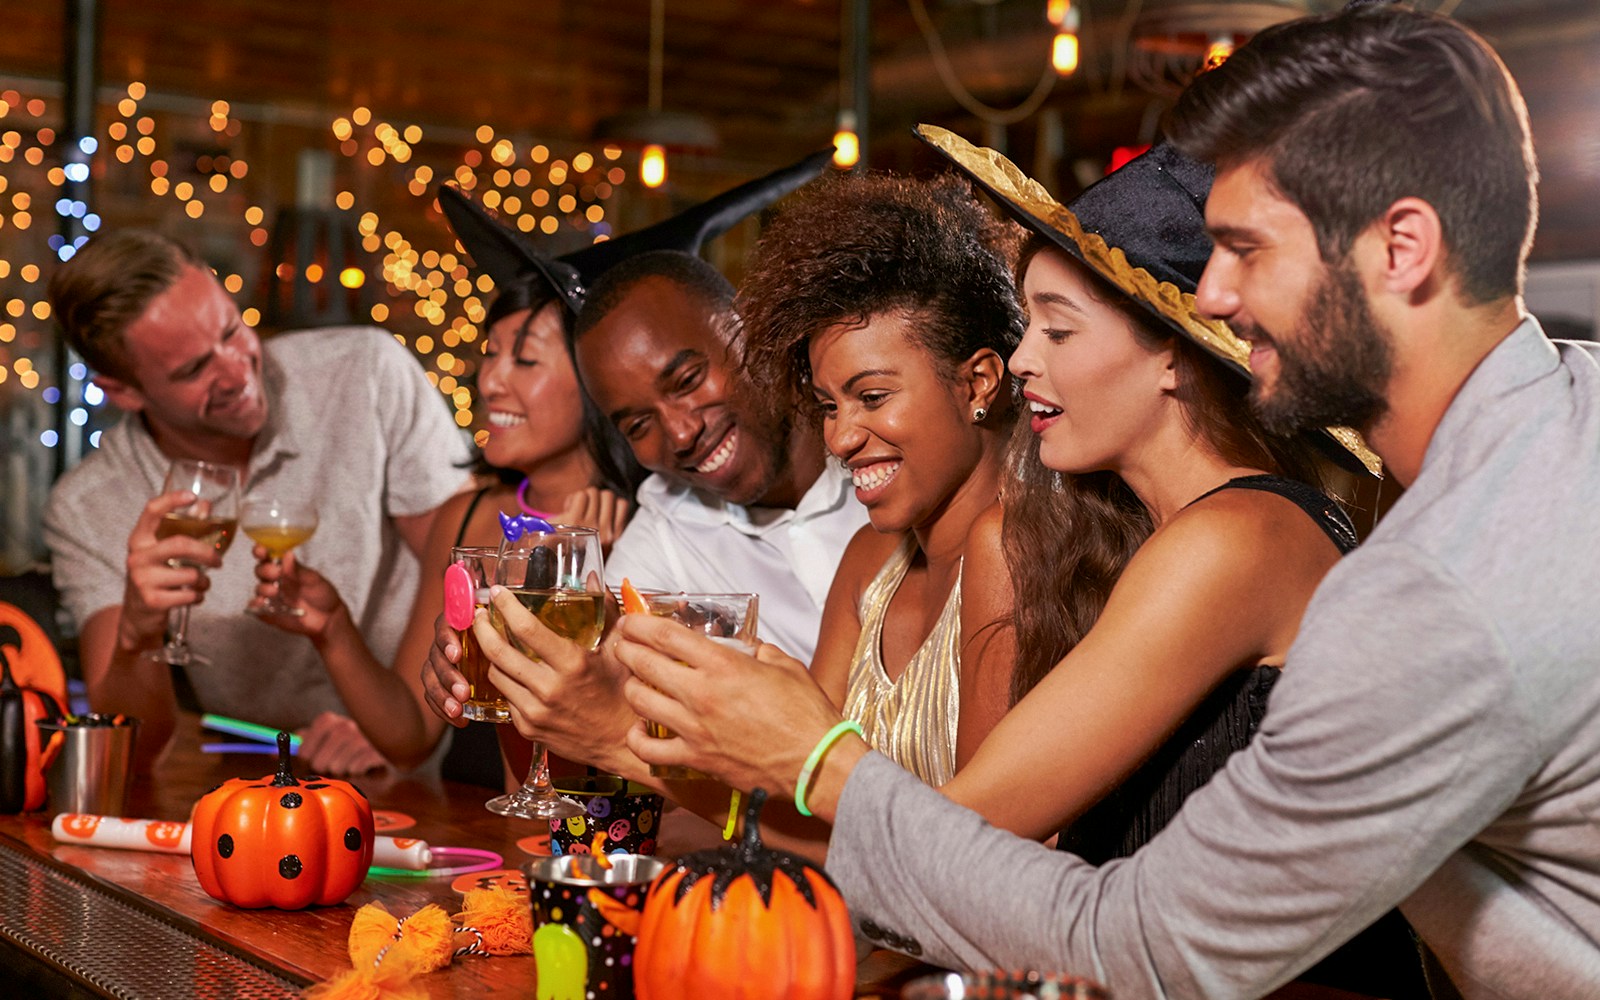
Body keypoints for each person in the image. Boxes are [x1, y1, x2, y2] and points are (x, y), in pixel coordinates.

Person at [615, 6, 1600, 998]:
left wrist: (812, 754)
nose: (1209, 293)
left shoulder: (1422, 595)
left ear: (1401, 248)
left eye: (1246, 249)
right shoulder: (1566, 410)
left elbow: (1137, 946)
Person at [43, 230, 472, 773]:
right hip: (251, 782)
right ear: (124, 392)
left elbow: (458, 566)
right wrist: (135, 634)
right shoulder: (90, 504)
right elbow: (131, 753)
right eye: (193, 370)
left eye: (231, 329)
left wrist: (403, 720)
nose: (237, 371)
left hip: (427, 773)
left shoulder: (365, 373)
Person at [734, 172, 1021, 782]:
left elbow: (976, 849)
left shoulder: (1017, 554)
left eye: (871, 396)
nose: (839, 438)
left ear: (978, 383)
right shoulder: (869, 564)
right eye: (830, 405)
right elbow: (798, 794)